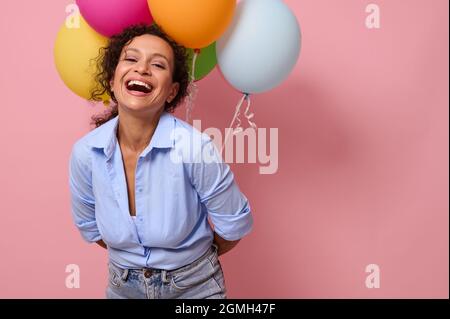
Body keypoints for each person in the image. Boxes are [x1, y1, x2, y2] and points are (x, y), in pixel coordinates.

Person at [68, 24, 253, 299]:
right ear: (112, 80)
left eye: (158, 64)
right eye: (131, 59)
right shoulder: (85, 153)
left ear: (171, 91)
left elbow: (234, 224)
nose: (141, 69)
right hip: (123, 287)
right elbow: (90, 227)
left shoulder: (194, 148)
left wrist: (188, 261)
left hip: (194, 288)